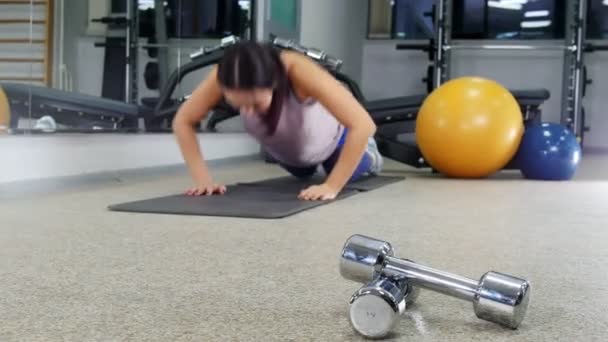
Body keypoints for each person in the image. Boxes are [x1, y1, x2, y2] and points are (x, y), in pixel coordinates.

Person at [172, 41, 383, 201]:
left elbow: (364, 124)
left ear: (274, 82)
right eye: (239, 106)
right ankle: (306, 164)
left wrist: (332, 187)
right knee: (303, 175)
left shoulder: (298, 69)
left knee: (348, 170)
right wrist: (203, 181)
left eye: (255, 103)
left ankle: (370, 153)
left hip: (334, 141)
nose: (248, 112)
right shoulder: (226, 74)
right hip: (292, 154)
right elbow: (183, 121)